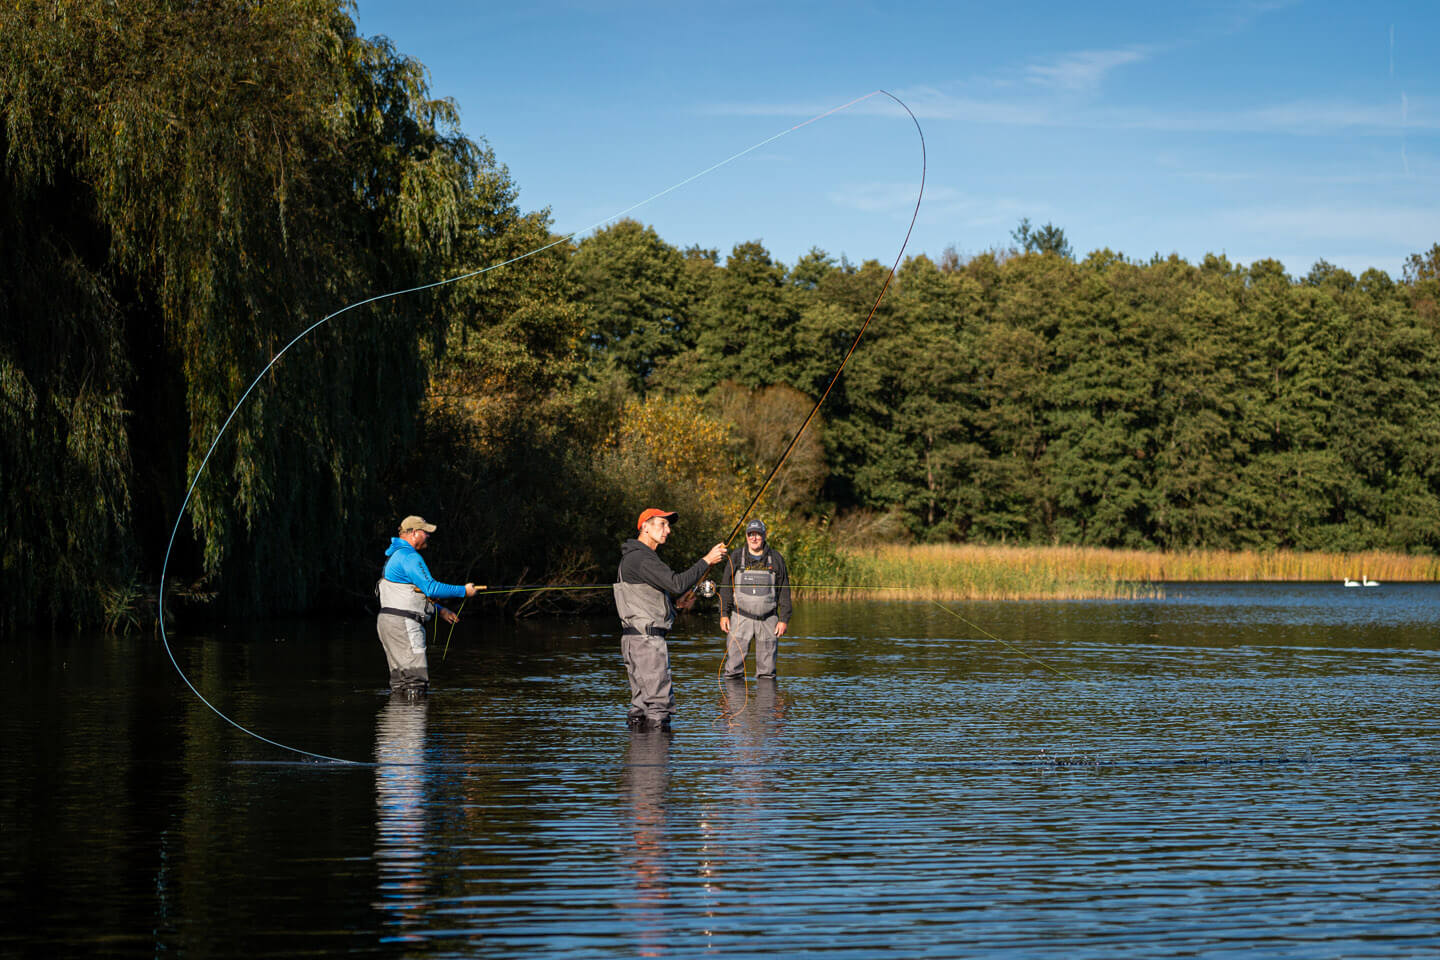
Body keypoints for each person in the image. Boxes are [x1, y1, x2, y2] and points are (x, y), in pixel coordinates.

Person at [614, 508, 728, 731]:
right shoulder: (641, 558)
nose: (668, 530)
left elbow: (643, 599)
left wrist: (674, 604)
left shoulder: (635, 557)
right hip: (647, 643)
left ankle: (640, 762)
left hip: (635, 640)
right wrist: (706, 560)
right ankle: (656, 762)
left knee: (641, 706)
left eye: (668, 525)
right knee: (659, 707)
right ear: (645, 526)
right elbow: (676, 583)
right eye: (662, 524)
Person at [375, 515, 480, 695]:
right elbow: (431, 588)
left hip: (389, 623)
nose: (428, 536)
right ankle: (413, 722)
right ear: (414, 533)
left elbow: (407, 594)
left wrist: (440, 610)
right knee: (416, 682)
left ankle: (397, 722)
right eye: (426, 532)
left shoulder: (396, 555)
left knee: (401, 683)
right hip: (405, 625)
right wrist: (464, 591)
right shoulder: (409, 556)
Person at [718, 518, 791, 679]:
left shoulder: (776, 558)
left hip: (769, 620)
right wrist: (724, 614)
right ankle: (733, 703)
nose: (754, 538)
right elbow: (725, 588)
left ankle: (766, 703)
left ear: (764, 536)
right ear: (746, 536)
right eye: (751, 534)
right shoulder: (736, 557)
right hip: (739, 619)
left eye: (758, 534)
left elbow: (784, 591)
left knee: (767, 672)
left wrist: (784, 619)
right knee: (732, 671)